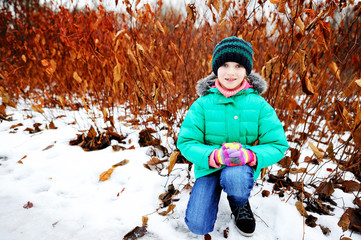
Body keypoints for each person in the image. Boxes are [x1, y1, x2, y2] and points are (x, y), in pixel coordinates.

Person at [177, 36, 289, 237]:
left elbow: (277, 143)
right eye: (225, 65)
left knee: (235, 177)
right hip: (208, 167)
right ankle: (210, 195)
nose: (230, 72)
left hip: (239, 167)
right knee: (197, 225)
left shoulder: (258, 105)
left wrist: (251, 156)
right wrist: (214, 156)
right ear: (215, 69)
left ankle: (239, 203)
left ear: (247, 70)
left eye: (238, 66)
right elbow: (187, 141)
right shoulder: (202, 104)